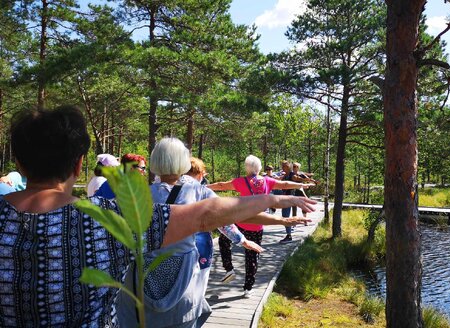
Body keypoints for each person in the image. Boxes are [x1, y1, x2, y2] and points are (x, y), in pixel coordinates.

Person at [0, 105, 317, 327]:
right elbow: (211, 215)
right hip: (178, 294)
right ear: (78, 165)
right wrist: (277, 202)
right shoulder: (105, 221)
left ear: (20, 163)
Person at [117, 141, 268, 328]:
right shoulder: (198, 191)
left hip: (140, 286)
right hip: (184, 284)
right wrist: (242, 240)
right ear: (183, 162)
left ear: (155, 161)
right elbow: (225, 219)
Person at [208, 155, 313, 297]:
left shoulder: (240, 181)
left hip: (239, 222)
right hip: (257, 224)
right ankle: (248, 288)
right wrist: (301, 185)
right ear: (259, 168)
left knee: (224, 240)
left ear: (246, 167)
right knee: (252, 255)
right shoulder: (267, 181)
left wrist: (204, 187)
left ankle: (229, 269)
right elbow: (285, 185)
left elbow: (221, 185)